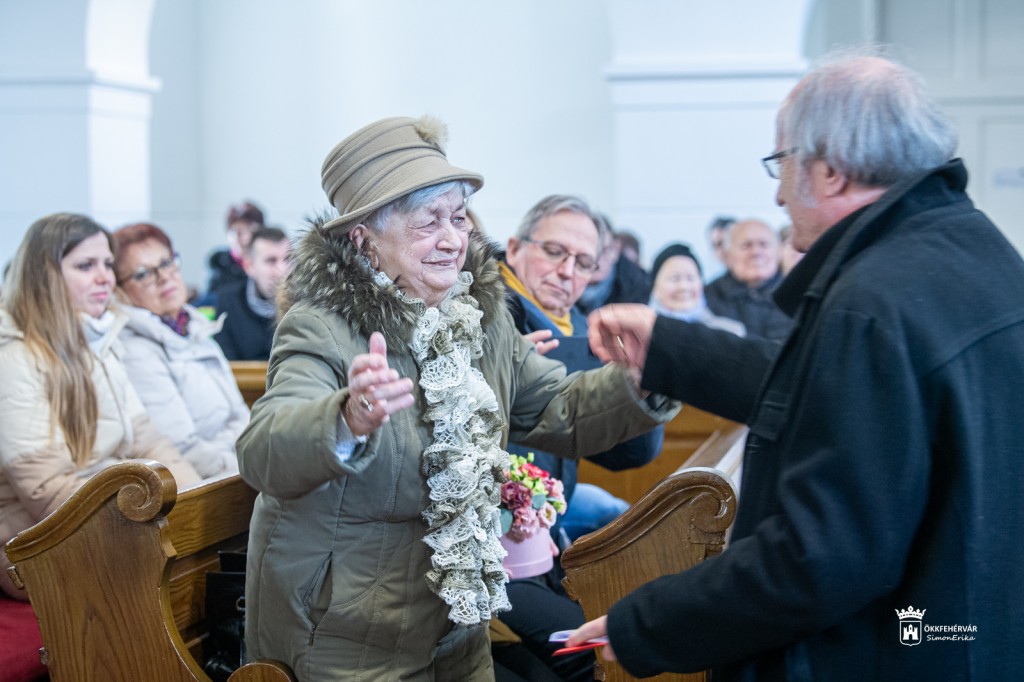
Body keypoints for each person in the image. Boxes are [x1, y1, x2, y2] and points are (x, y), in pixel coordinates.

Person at [573, 51, 1024, 681]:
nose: (778, 193)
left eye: (782, 163)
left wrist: (646, 623)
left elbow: (817, 558)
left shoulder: (872, 302)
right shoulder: (976, 250)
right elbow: (833, 394)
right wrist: (674, 350)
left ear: (831, 171)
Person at [234, 115, 679, 681]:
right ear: (363, 237)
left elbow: (557, 406)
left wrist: (646, 376)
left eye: (459, 217)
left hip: (457, 622)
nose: (452, 239)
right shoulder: (321, 326)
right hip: (345, 631)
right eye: (428, 222)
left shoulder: (479, 318)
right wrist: (346, 417)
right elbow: (262, 452)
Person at [499, 194, 665, 681]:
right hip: (492, 558)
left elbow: (630, 453)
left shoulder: (582, 333)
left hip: (548, 548)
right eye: (554, 251)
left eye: (584, 262)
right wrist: (503, 377)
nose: (567, 271)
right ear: (515, 248)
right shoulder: (485, 320)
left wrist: (638, 380)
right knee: (593, 658)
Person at [0, 214, 202, 601]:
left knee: (212, 547)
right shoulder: (13, 358)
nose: (105, 278)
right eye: (85, 266)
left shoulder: (98, 342)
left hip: (105, 522)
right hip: (35, 546)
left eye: (108, 264)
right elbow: (45, 490)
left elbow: (150, 443)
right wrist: (141, 529)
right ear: (45, 275)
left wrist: (194, 506)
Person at [112, 222, 249, 479]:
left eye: (166, 262)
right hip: (209, 482)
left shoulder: (194, 327)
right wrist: (247, 466)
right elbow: (183, 449)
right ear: (120, 290)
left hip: (237, 467)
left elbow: (242, 416)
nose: (164, 276)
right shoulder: (134, 351)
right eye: (142, 274)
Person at [703, 218, 793, 340]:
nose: (756, 252)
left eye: (764, 244)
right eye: (746, 246)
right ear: (729, 254)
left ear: (778, 251)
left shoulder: (796, 293)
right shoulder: (707, 297)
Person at [213, 226, 291, 360]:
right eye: (271, 261)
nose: (282, 270)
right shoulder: (228, 301)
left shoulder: (304, 303)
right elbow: (227, 362)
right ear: (249, 266)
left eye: (288, 259)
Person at [648, 243, 745, 336]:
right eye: (675, 278)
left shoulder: (730, 333)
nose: (684, 287)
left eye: (690, 278)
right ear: (654, 285)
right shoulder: (643, 335)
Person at [576, 214, 651, 315]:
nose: (598, 260)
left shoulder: (637, 287)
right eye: (589, 252)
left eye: (604, 250)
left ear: (616, 249)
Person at [201, 200, 266, 302]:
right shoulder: (220, 266)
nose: (245, 239)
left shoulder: (272, 262)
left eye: (251, 231)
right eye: (237, 232)